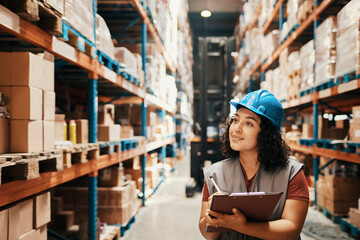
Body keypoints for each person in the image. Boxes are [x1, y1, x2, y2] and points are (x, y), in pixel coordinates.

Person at [198, 89, 309, 240]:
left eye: (248, 123)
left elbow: (291, 229)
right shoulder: (214, 174)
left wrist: (241, 225)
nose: (236, 128)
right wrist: (211, 217)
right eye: (235, 120)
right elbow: (208, 235)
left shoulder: (291, 172)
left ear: (267, 133)